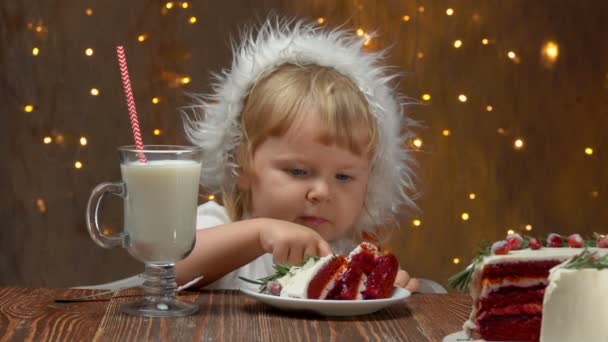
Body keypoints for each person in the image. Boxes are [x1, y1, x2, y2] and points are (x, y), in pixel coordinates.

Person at [178, 17, 420, 293]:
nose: (321, 192)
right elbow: (172, 267)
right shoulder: (221, 226)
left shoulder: (345, 259)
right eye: (298, 171)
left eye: (343, 176)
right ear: (239, 166)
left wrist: (385, 290)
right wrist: (260, 234)